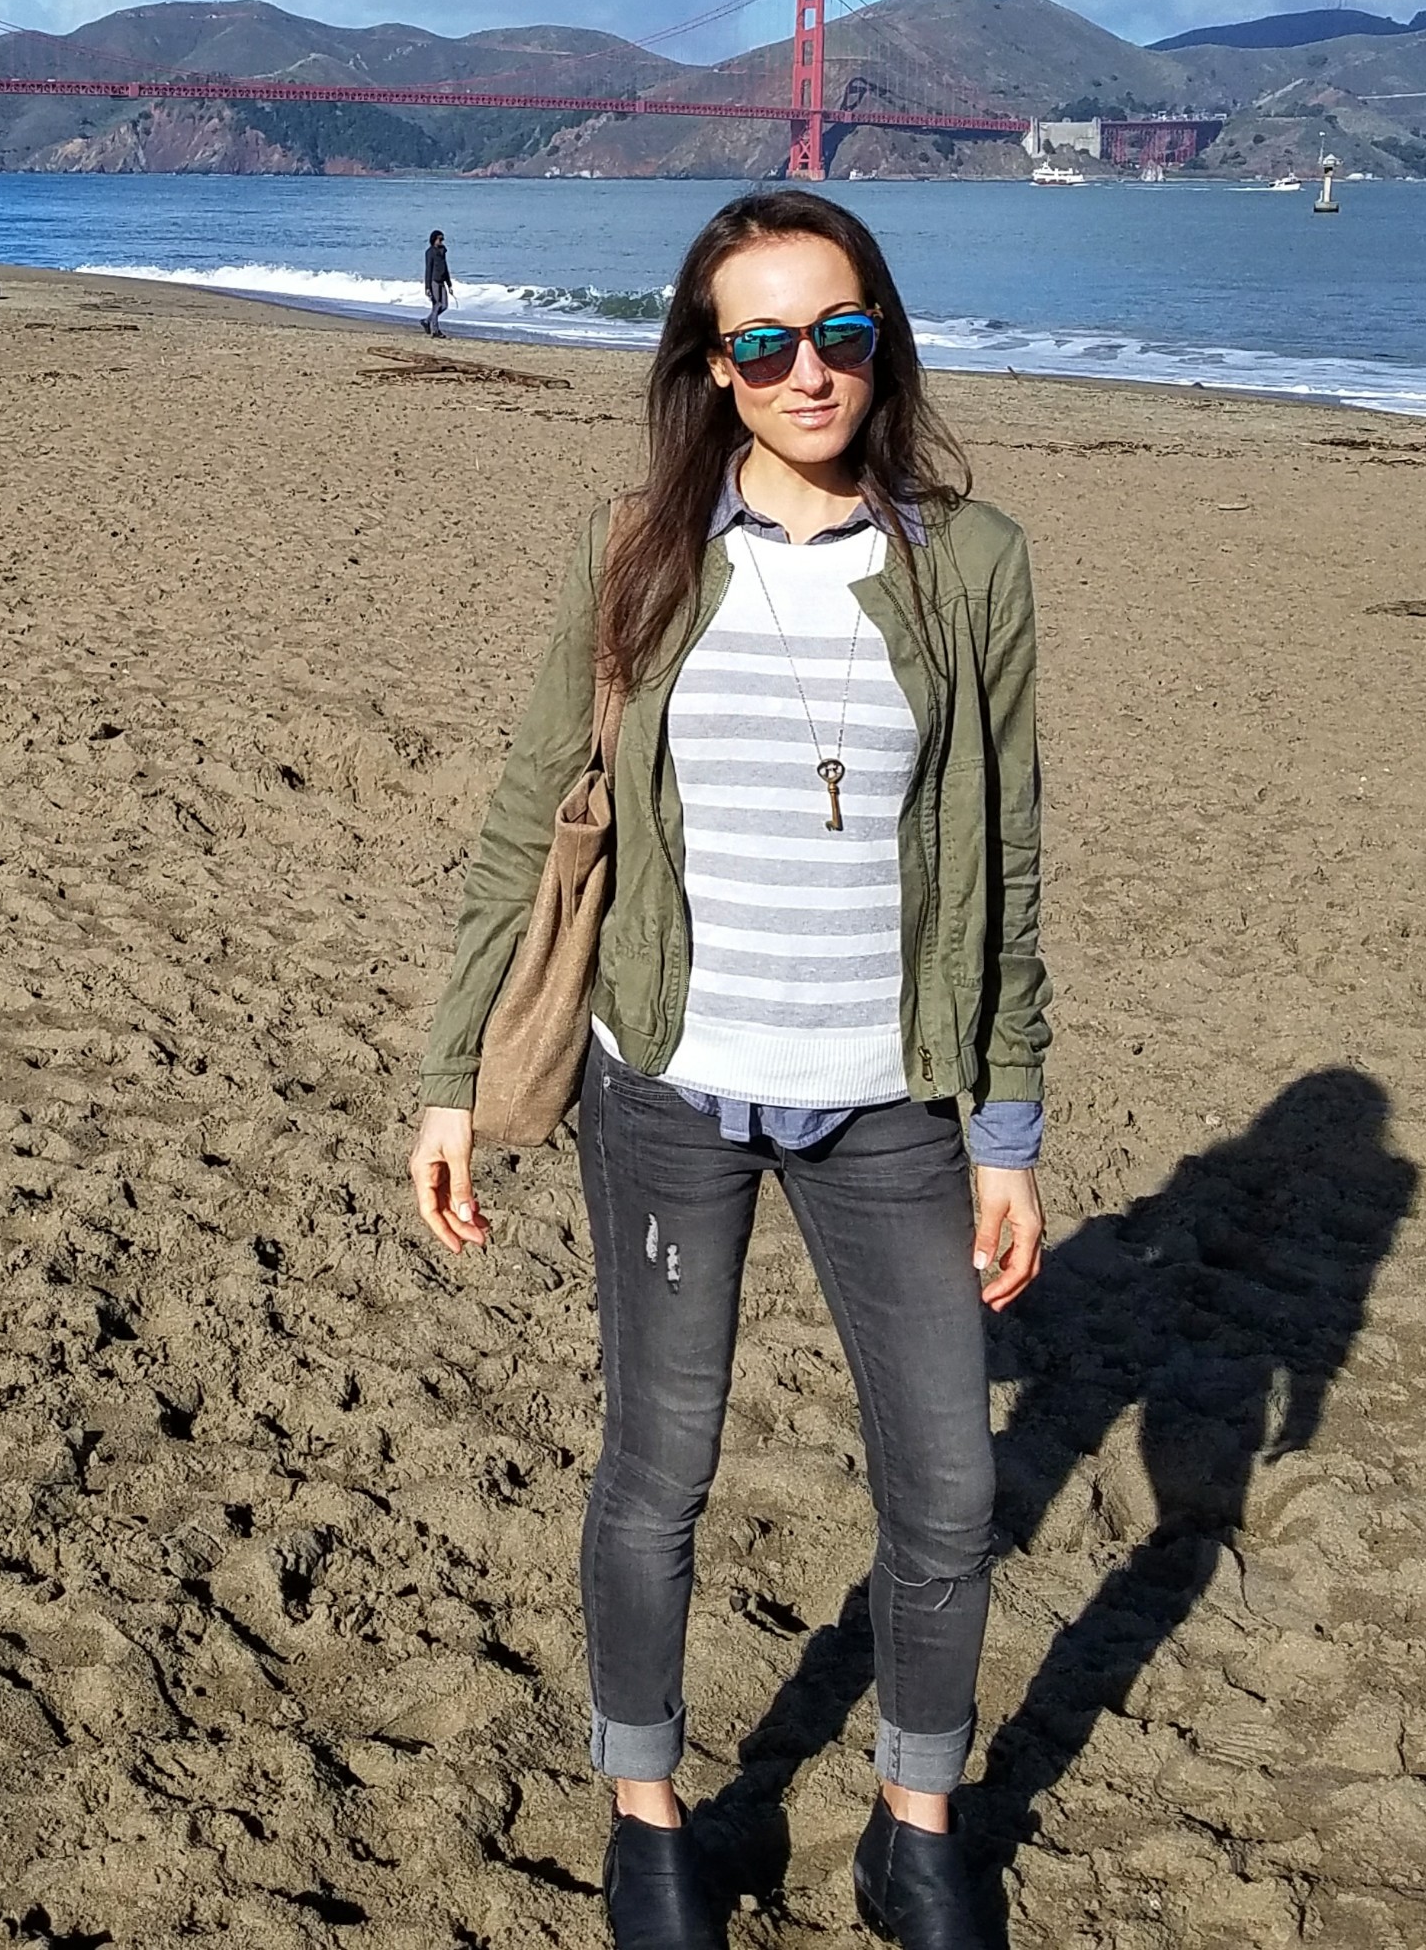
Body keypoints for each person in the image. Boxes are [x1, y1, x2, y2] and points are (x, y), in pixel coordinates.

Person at [408, 188, 1049, 1950]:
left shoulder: (970, 566)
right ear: (711, 363)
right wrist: (448, 1072)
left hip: (892, 1102)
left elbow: (1007, 868)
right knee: (659, 1466)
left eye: (837, 332)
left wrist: (1008, 1127)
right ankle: (649, 1822)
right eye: (760, 343)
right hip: (668, 1087)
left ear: (882, 336)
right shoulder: (641, 548)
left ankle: (919, 1830)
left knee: (950, 1484)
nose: (806, 371)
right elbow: (526, 814)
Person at [422, 228, 453, 337]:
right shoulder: (429, 252)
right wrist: (427, 287)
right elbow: (428, 269)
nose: (441, 241)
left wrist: (449, 284)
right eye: (440, 239)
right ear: (434, 239)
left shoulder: (443, 251)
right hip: (434, 281)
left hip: (442, 281)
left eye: (442, 239)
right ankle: (436, 331)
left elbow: (446, 267)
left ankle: (427, 320)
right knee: (436, 305)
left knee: (444, 306)